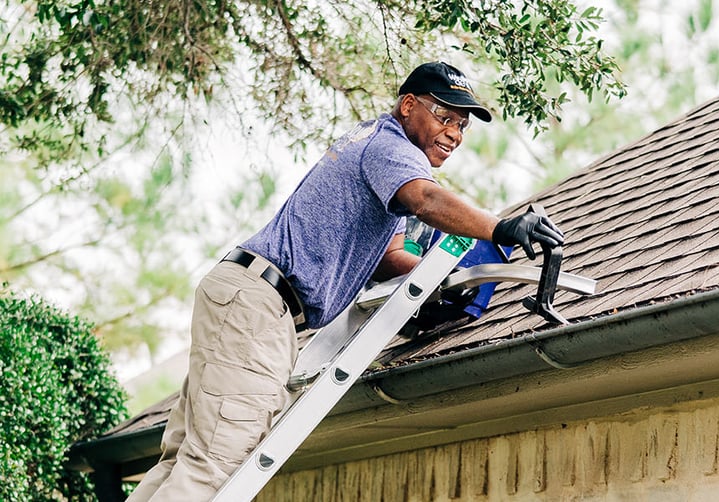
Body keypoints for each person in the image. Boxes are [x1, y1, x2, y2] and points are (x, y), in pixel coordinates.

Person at [127, 61, 564, 501]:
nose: (454, 133)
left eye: (463, 126)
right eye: (445, 117)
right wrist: (499, 228)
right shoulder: (393, 148)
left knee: (183, 461)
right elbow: (425, 199)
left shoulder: (374, 149)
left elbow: (391, 257)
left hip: (244, 296)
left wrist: (448, 277)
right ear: (409, 105)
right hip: (258, 306)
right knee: (215, 467)